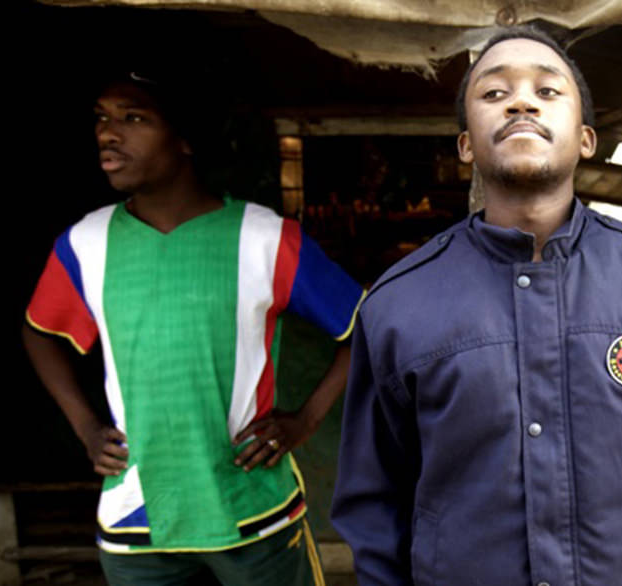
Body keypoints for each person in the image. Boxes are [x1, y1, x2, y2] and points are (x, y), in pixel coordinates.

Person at [331, 27, 622, 586]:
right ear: (466, 145)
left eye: (548, 91)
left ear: (585, 139)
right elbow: (375, 505)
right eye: (494, 93)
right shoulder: (398, 303)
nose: (522, 102)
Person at [22, 71, 365, 585]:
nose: (108, 133)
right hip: (137, 518)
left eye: (133, 118)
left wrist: (304, 421)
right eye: (102, 118)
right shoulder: (85, 244)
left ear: (185, 138)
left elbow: (365, 328)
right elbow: (39, 332)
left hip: (252, 509)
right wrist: (86, 428)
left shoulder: (264, 238)